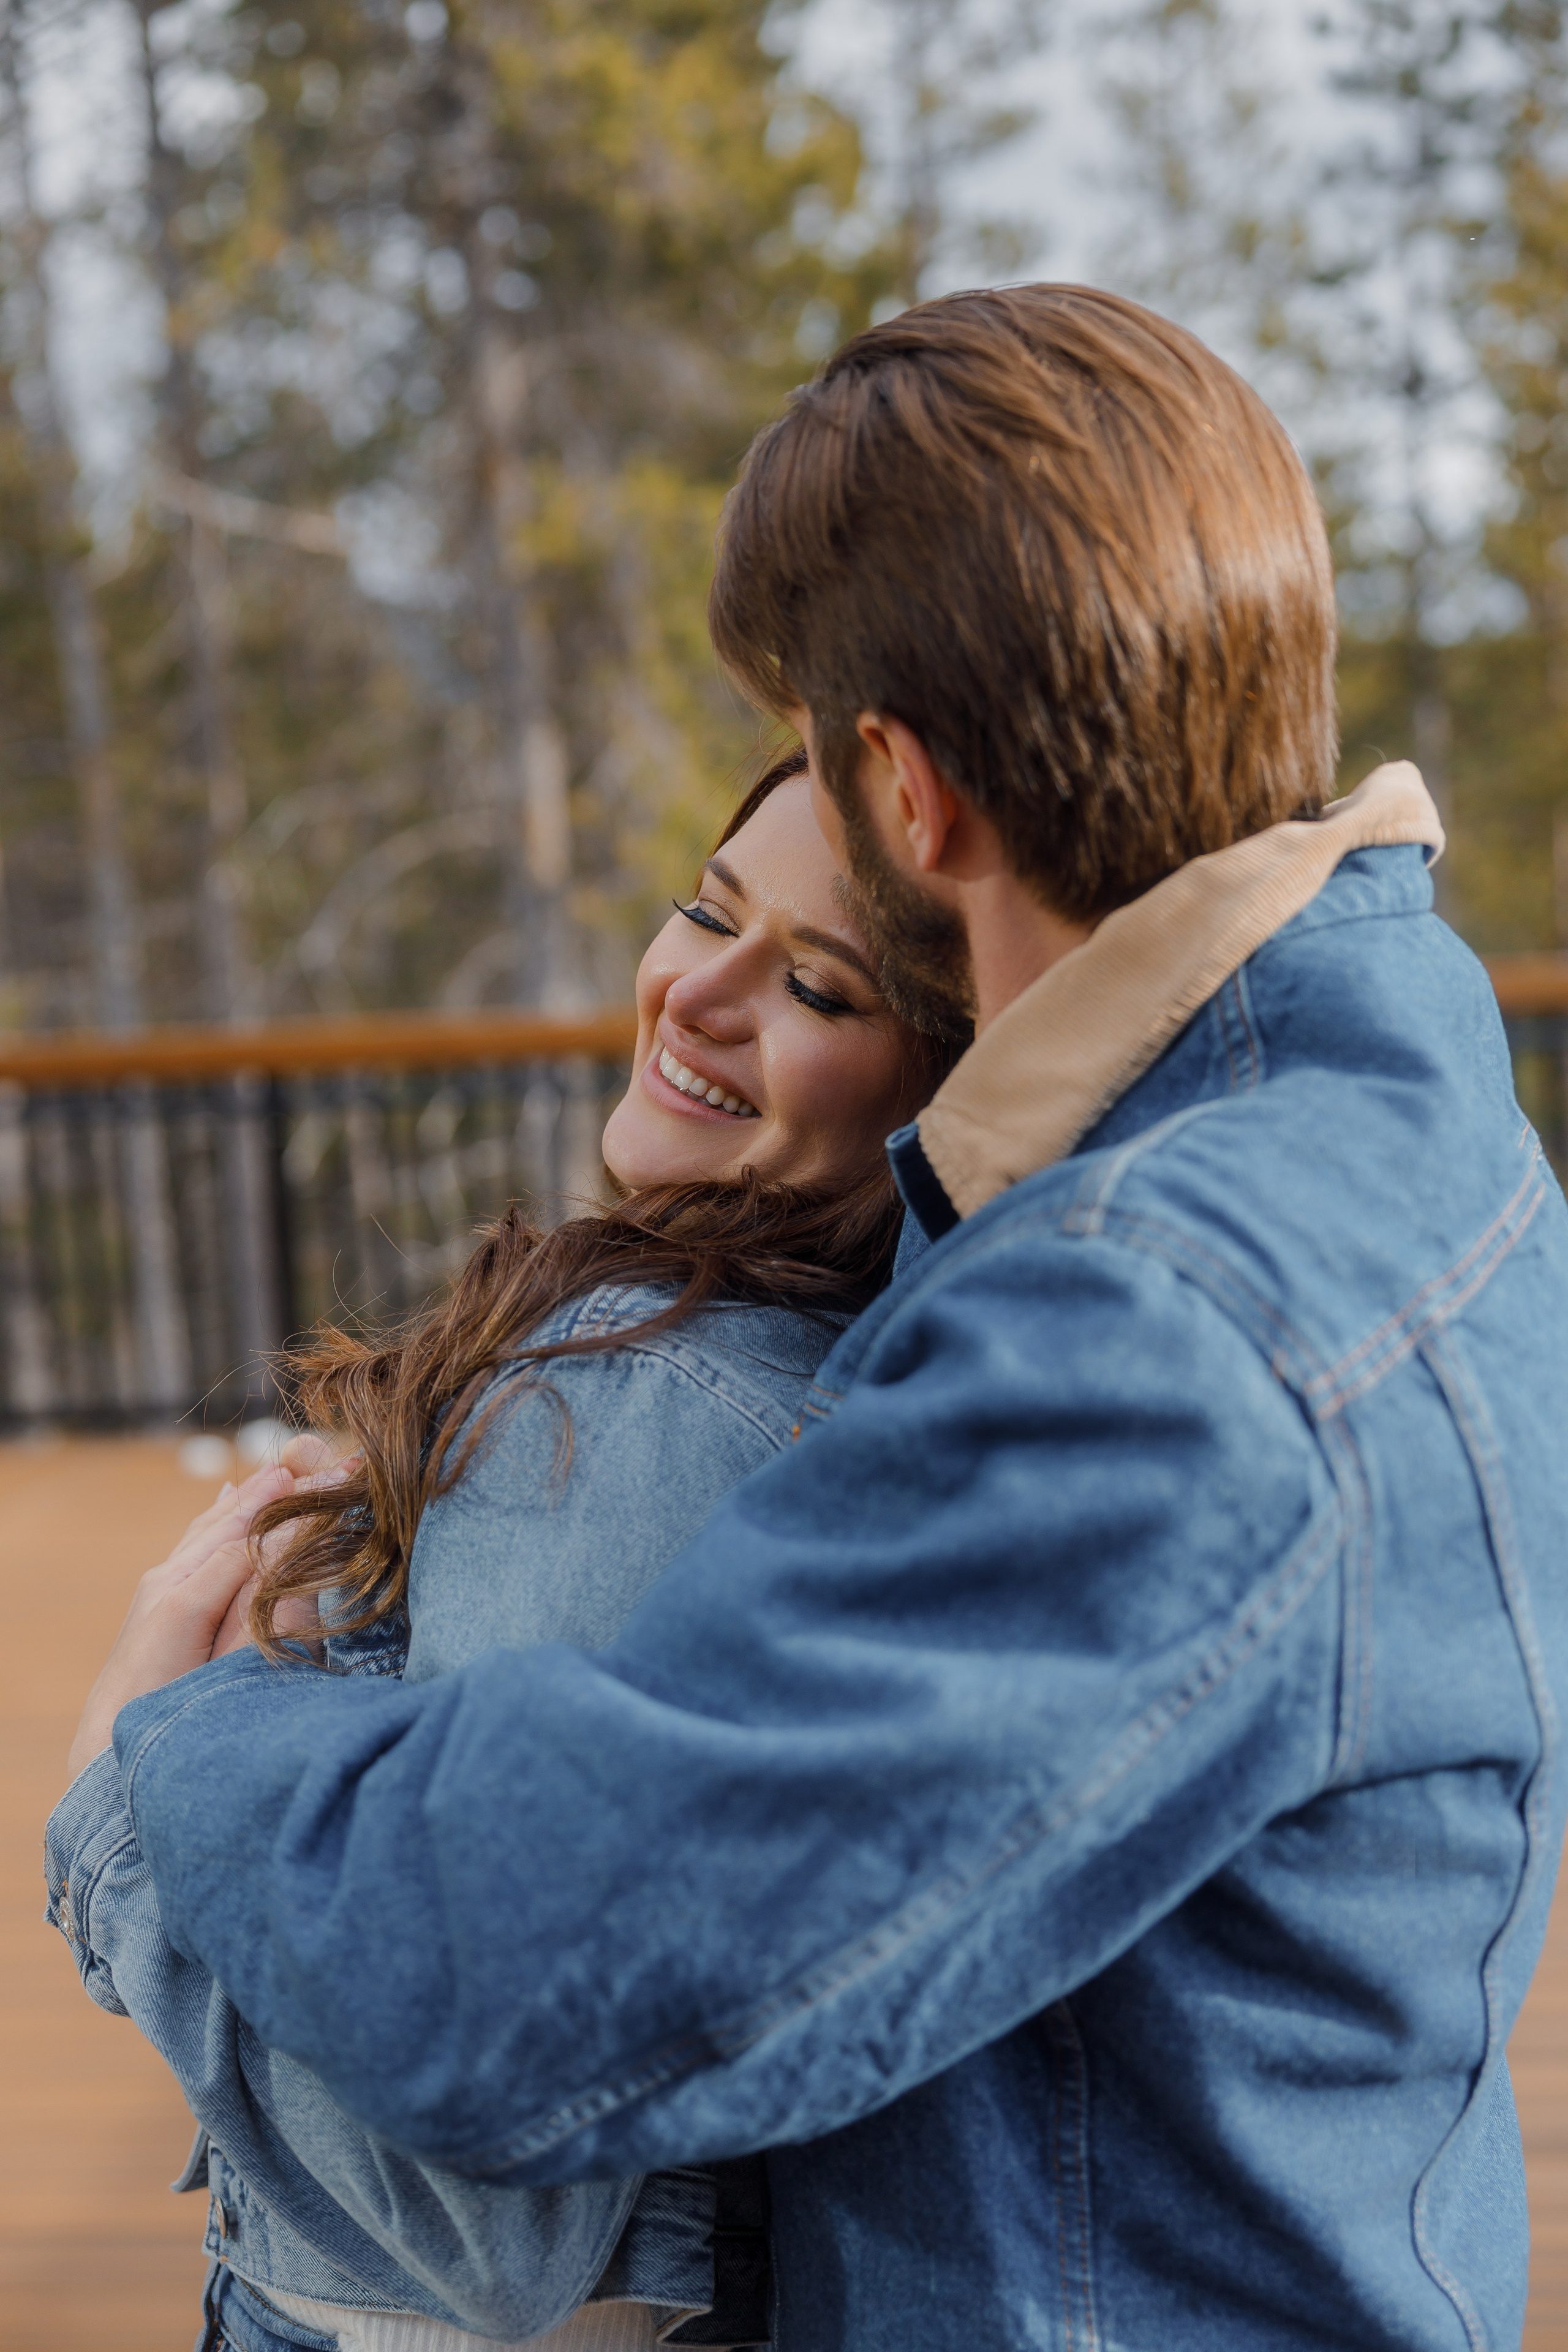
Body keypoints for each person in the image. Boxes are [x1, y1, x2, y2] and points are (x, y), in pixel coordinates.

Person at [51, 285, 1568, 2351]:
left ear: (909, 795)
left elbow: (534, 1974)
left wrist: (173, 1738)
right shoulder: (1398, 1085)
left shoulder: (1169, 1327)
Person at [47, 754, 951, 2352]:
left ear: (939, 1083)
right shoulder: (865, 1380)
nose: (695, 994)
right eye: (706, 912)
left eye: (815, 982)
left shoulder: (639, 1398)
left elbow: (466, 2207)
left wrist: (124, 1788)